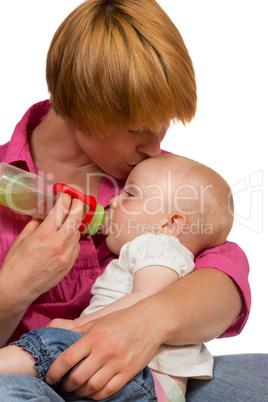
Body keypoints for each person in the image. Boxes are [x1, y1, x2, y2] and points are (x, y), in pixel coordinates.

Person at [0, 0, 264, 401]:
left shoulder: (157, 175)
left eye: (163, 126)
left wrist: (147, 322)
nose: (156, 147)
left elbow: (224, 277)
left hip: (150, 376)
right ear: (78, 107)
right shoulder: (10, 183)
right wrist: (13, 290)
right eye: (139, 129)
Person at [0, 153, 234, 401]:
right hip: (138, 382)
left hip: (142, 377)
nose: (113, 200)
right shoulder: (150, 249)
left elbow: (144, 299)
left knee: (52, 343)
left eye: (130, 195)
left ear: (170, 225)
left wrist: (76, 327)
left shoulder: (158, 246)